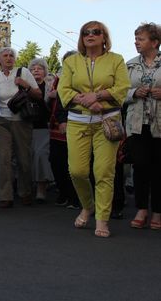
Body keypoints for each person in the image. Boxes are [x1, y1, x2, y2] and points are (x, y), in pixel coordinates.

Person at [58, 21, 129, 238]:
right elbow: (64, 88)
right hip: (78, 121)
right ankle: (87, 205)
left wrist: (99, 96)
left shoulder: (116, 60)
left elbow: (122, 87)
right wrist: (87, 101)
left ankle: (102, 219)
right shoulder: (71, 61)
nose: (90, 35)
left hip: (106, 122)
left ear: (104, 37)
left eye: (96, 32)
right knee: (77, 171)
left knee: (103, 172)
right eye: (86, 32)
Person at [0, 47, 42, 208]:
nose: (8, 58)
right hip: (1, 121)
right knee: (3, 158)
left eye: (11, 56)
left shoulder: (23, 72)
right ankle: (5, 195)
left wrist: (25, 85)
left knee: (23, 158)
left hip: (21, 120)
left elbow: (38, 95)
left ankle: (25, 191)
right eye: (5, 56)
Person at [125, 22, 161, 230]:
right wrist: (133, 93)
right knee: (140, 166)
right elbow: (119, 92)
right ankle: (141, 209)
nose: (136, 42)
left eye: (141, 39)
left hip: (159, 124)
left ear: (155, 42)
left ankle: (157, 211)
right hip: (137, 124)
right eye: (136, 38)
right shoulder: (130, 65)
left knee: (159, 168)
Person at [47, 51, 80, 208]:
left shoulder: (80, 79)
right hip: (56, 127)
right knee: (56, 161)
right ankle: (63, 192)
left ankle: (75, 197)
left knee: (73, 164)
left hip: (74, 124)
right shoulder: (58, 79)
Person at [28, 58, 54, 203]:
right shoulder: (24, 86)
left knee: (40, 154)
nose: (36, 70)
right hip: (26, 126)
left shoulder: (51, 86)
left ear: (45, 71)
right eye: (33, 68)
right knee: (28, 156)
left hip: (44, 126)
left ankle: (41, 187)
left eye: (40, 68)